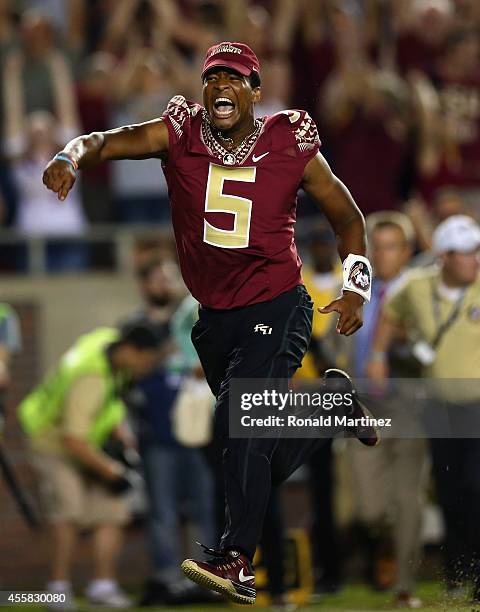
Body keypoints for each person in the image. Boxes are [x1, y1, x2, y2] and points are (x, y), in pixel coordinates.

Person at [42, 41, 375, 606]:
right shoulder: (179, 132)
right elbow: (103, 143)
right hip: (217, 320)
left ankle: (237, 560)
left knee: (242, 422)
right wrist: (69, 156)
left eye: (235, 77)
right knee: (246, 446)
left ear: (255, 91)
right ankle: (327, 410)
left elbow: (348, 216)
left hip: (278, 304)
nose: (222, 85)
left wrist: (356, 288)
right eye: (213, 77)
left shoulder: (288, 142)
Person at [367, 214, 480, 603]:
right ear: (445, 257)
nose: (475, 259)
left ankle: (476, 574)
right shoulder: (417, 288)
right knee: (450, 493)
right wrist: (379, 354)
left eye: (476, 251)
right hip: (439, 406)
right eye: (466, 253)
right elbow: (391, 316)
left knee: (475, 486)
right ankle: (456, 573)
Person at [18, 321, 162, 608]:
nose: (144, 369)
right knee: (68, 509)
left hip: (86, 439)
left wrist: (118, 432)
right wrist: (113, 472)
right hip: (53, 441)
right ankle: (57, 589)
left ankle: (103, 586)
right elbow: (73, 439)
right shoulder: (90, 376)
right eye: (144, 362)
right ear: (130, 351)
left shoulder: (110, 344)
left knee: (112, 510)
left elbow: (106, 403)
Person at [345, 212, 427, 608]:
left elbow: (427, 348)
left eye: (391, 246)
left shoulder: (421, 293)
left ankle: (405, 585)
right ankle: (388, 544)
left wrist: (395, 342)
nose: (382, 255)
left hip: (408, 405)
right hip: (364, 408)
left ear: (407, 251)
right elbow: (343, 347)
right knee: (368, 508)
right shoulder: (359, 293)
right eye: (376, 247)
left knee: (408, 498)